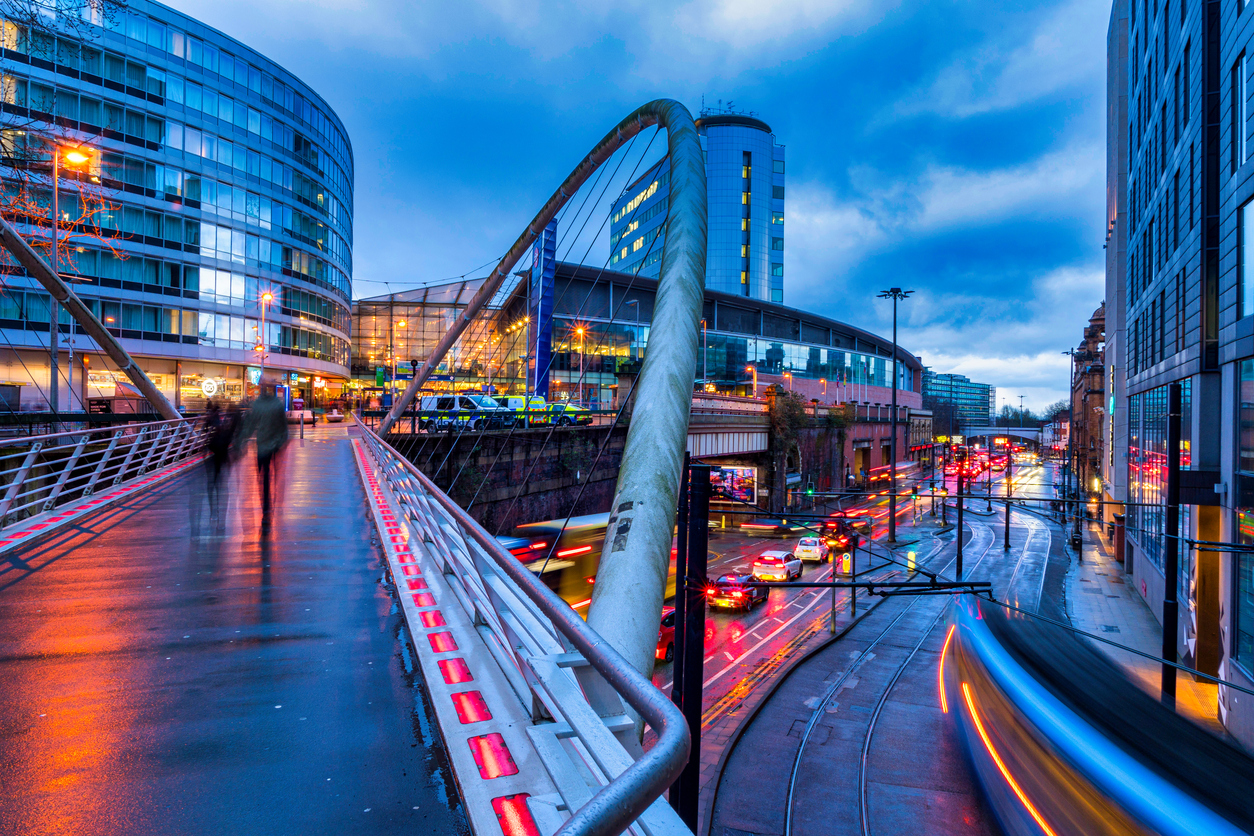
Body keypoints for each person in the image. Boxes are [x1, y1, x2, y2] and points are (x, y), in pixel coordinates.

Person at [235, 384, 289, 526]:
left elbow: (250, 424)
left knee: (264, 476)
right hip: (274, 445)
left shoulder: (258, 404)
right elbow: (284, 426)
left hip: (263, 445)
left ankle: (266, 506)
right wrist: (282, 441)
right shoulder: (277, 404)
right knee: (273, 474)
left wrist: (241, 440)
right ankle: (273, 501)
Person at [204, 400, 236, 514]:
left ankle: (213, 510)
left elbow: (207, 445)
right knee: (221, 486)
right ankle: (219, 510)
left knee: (212, 485)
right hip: (221, 460)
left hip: (213, 461)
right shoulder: (225, 435)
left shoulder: (213, 438)